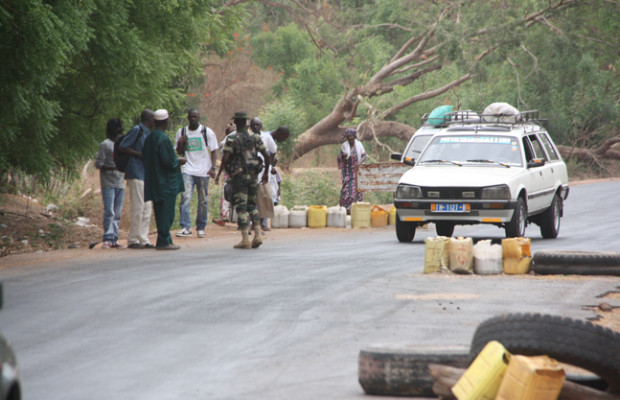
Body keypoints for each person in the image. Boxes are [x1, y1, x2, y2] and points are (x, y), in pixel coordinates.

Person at [215, 111, 269, 249]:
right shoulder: (255, 137)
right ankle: (258, 235)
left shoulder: (232, 139)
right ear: (246, 122)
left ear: (237, 123)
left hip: (239, 177)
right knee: (252, 205)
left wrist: (219, 173)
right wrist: (266, 173)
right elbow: (266, 155)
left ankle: (245, 239)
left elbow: (226, 158)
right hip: (253, 176)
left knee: (241, 207)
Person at [142, 109, 186, 250]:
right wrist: (179, 161)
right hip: (166, 182)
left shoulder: (150, 137)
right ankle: (163, 241)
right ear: (167, 121)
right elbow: (168, 161)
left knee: (160, 212)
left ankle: (165, 239)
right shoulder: (163, 138)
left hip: (155, 181)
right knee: (167, 213)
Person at [174, 109, 219, 238]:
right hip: (187, 169)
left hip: (203, 171)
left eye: (195, 116)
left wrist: (213, 167)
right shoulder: (181, 132)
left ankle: (201, 227)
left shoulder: (206, 132)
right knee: (185, 197)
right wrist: (181, 142)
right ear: (188, 118)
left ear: (199, 118)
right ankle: (185, 227)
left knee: (203, 200)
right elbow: (179, 152)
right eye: (191, 117)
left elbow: (214, 150)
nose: (193, 119)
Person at [118, 109, 155, 249]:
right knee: (138, 207)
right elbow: (123, 146)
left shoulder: (147, 133)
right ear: (148, 119)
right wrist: (139, 154)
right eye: (153, 118)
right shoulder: (137, 130)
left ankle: (143, 238)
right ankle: (133, 239)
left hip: (145, 173)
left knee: (147, 208)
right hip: (135, 172)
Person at [95, 118, 126, 249]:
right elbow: (98, 164)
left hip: (120, 183)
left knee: (117, 212)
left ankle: (114, 238)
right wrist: (113, 167)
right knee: (110, 211)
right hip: (108, 183)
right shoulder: (105, 145)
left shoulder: (122, 144)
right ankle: (107, 238)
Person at [250, 117, 277, 232]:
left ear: (261, 126)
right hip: (250, 174)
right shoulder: (248, 138)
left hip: (263, 174)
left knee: (264, 198)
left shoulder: (266, 137)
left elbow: (273, 150)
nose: (256, 127)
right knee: (251, 201)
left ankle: (262, 224)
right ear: (251, 126)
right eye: (254, 125)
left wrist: (269, 166)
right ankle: (254, 225)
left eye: (258, 125)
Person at [337, 128, 367, 212]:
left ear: (354, 136)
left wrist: (358, 163)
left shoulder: (359, 145)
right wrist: (343, 156)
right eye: (347, 137)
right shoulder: (344, 146)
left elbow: (364, 156)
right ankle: (346, 208)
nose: (349, 138)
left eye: (350, 136)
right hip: (347, 170)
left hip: (356, 170)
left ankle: (357, 208)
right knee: (347, 188)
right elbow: (339, 158)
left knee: (357, 188)